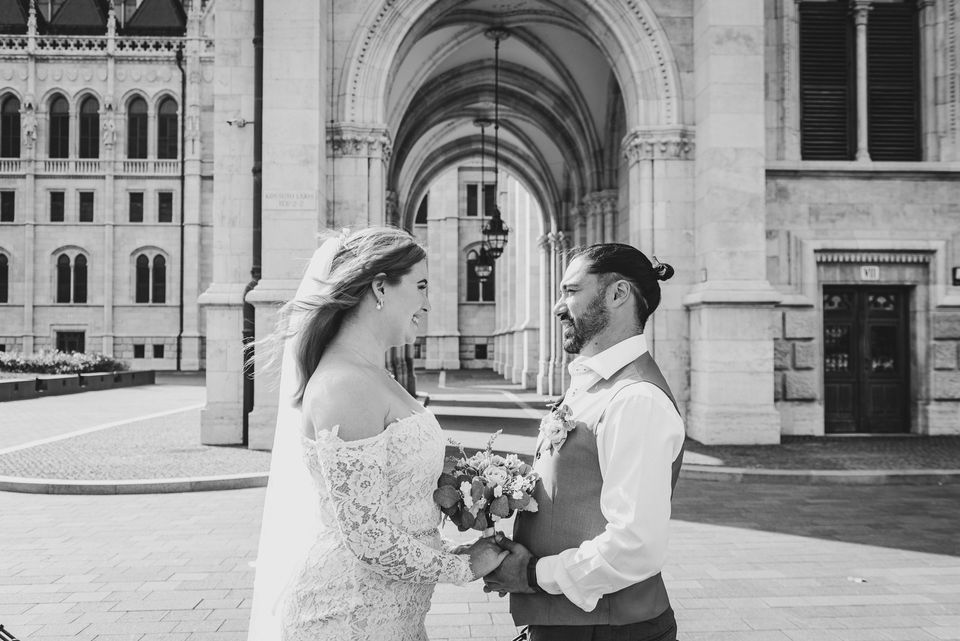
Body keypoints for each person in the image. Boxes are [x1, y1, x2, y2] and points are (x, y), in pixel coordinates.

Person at [247, 227, 507, 641]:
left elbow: (394, 503)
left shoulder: (371, 374)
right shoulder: (343, 384)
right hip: (349, 615)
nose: (427, 303)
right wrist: (462, 567)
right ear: (380, 287)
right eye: (421, 286)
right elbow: (366, 535)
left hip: (390, 615)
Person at [483, 243, 686, 641]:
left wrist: (532, 573)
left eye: (571, 291)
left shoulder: (635, 398)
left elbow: (636, 544)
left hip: (610, 630)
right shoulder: (594, 385)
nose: (559, 306)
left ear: (618, 294)